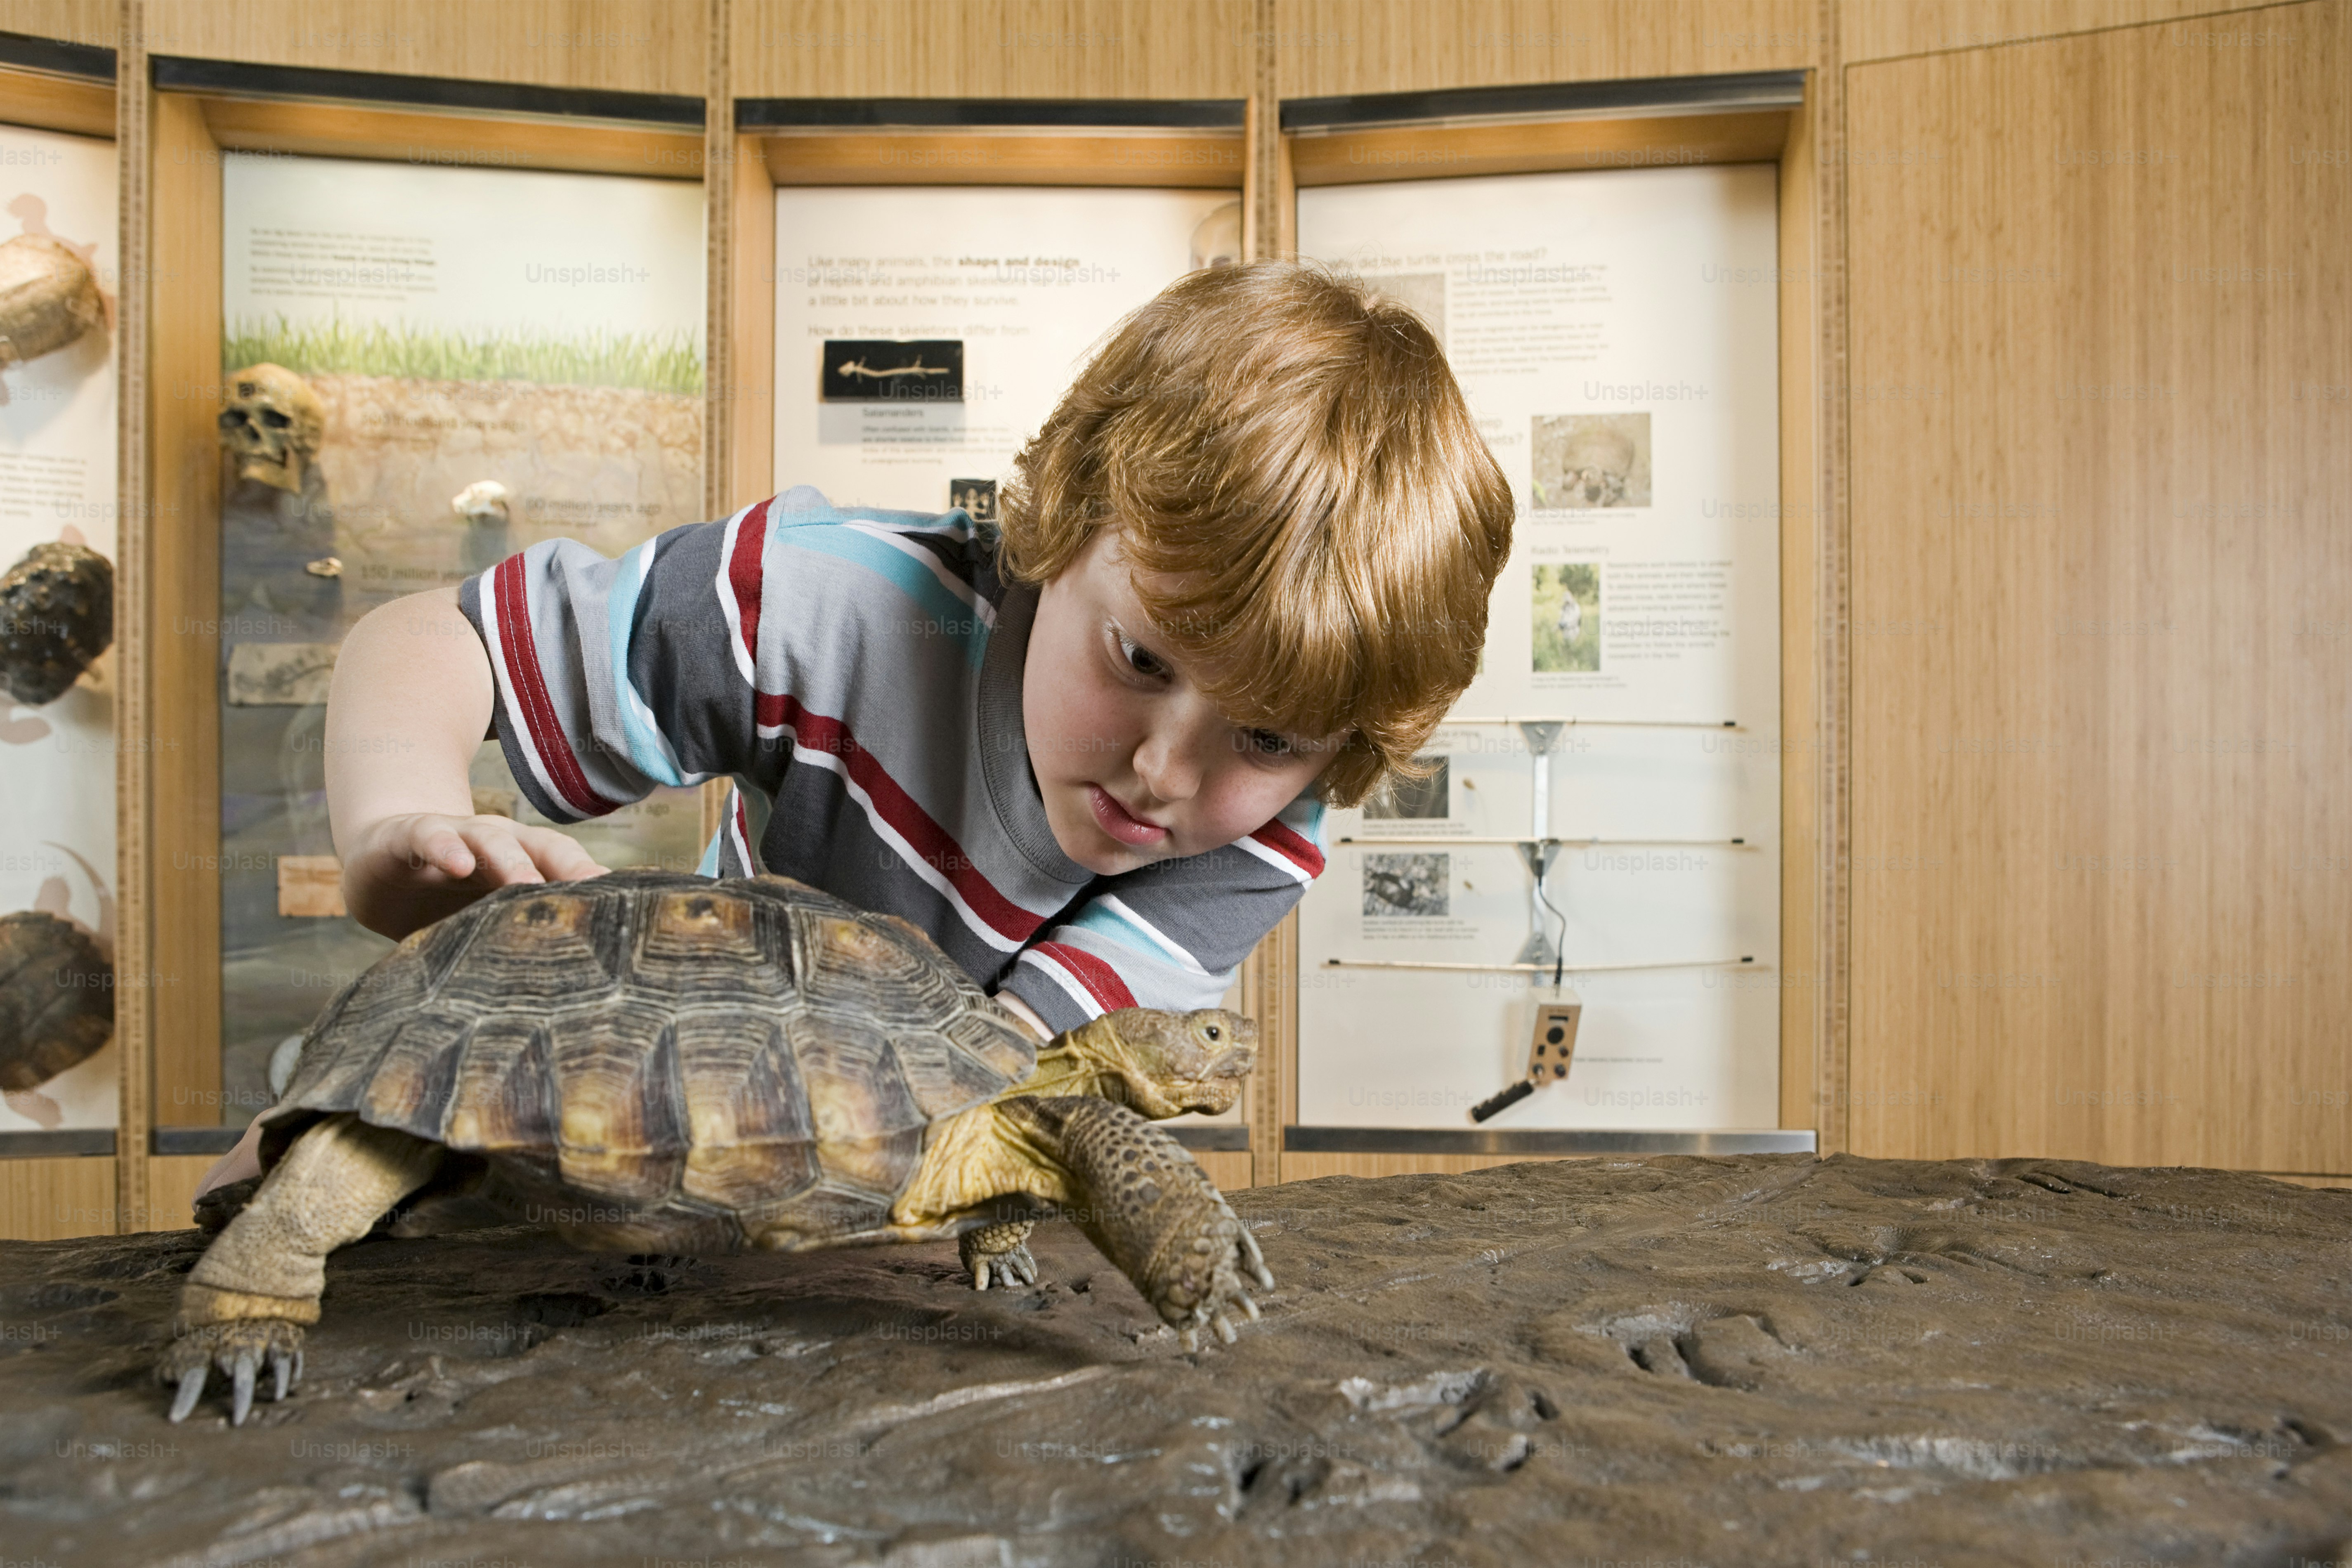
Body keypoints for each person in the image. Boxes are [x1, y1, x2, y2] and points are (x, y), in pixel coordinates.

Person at [191, 260, 1513, 1202]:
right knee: (289, 1196)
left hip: (869, 1170)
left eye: (1271, 737)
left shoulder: (1263, 835)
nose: (1167, 771)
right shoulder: (830, 606)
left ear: (1340, 744)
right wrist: (394, 818)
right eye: (1141, 657)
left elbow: (1006, 1100)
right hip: (645, 1066)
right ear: (1058, 530)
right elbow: (429, 639)